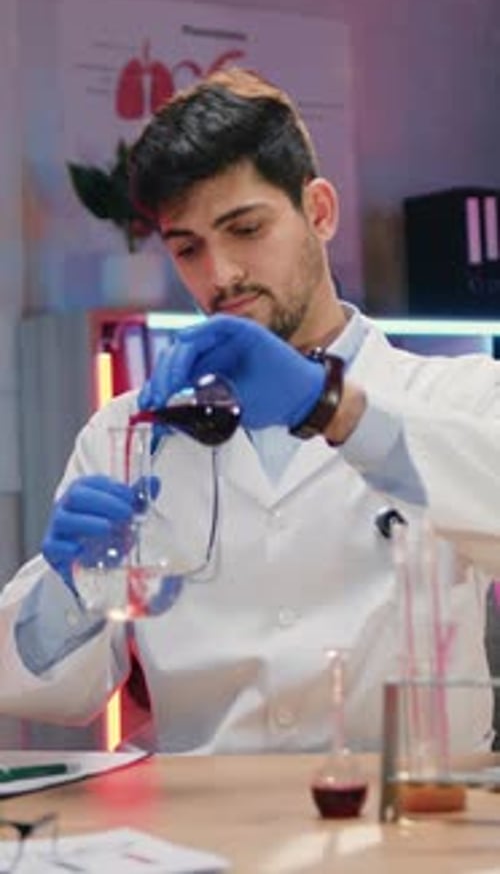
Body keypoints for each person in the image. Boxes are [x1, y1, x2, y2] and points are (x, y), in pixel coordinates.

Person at [1, 67, 500, 754]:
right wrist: (67, 586)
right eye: (188, 248)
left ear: (319, 211)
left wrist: (328, 406)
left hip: (407, 824)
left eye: (246, 228)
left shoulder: (461, 396)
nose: (221, 274)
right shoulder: (128, 433)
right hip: (202, 839)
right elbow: (54, 694)